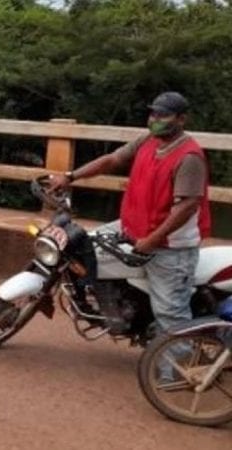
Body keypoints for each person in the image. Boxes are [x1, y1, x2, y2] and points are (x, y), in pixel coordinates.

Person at [49, 92, 210, 335]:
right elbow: (112, 160)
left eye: (163, 115)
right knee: (82, 247)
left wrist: (152, 240)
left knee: (170, 315)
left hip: (169, 247)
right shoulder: (148, 141)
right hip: (132, 228)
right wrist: (71, 177)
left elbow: (186, 207)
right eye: (153, 113)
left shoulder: (189, 158)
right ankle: (110, 306)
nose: (155, 119)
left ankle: (174, 371)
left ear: (181, 120)